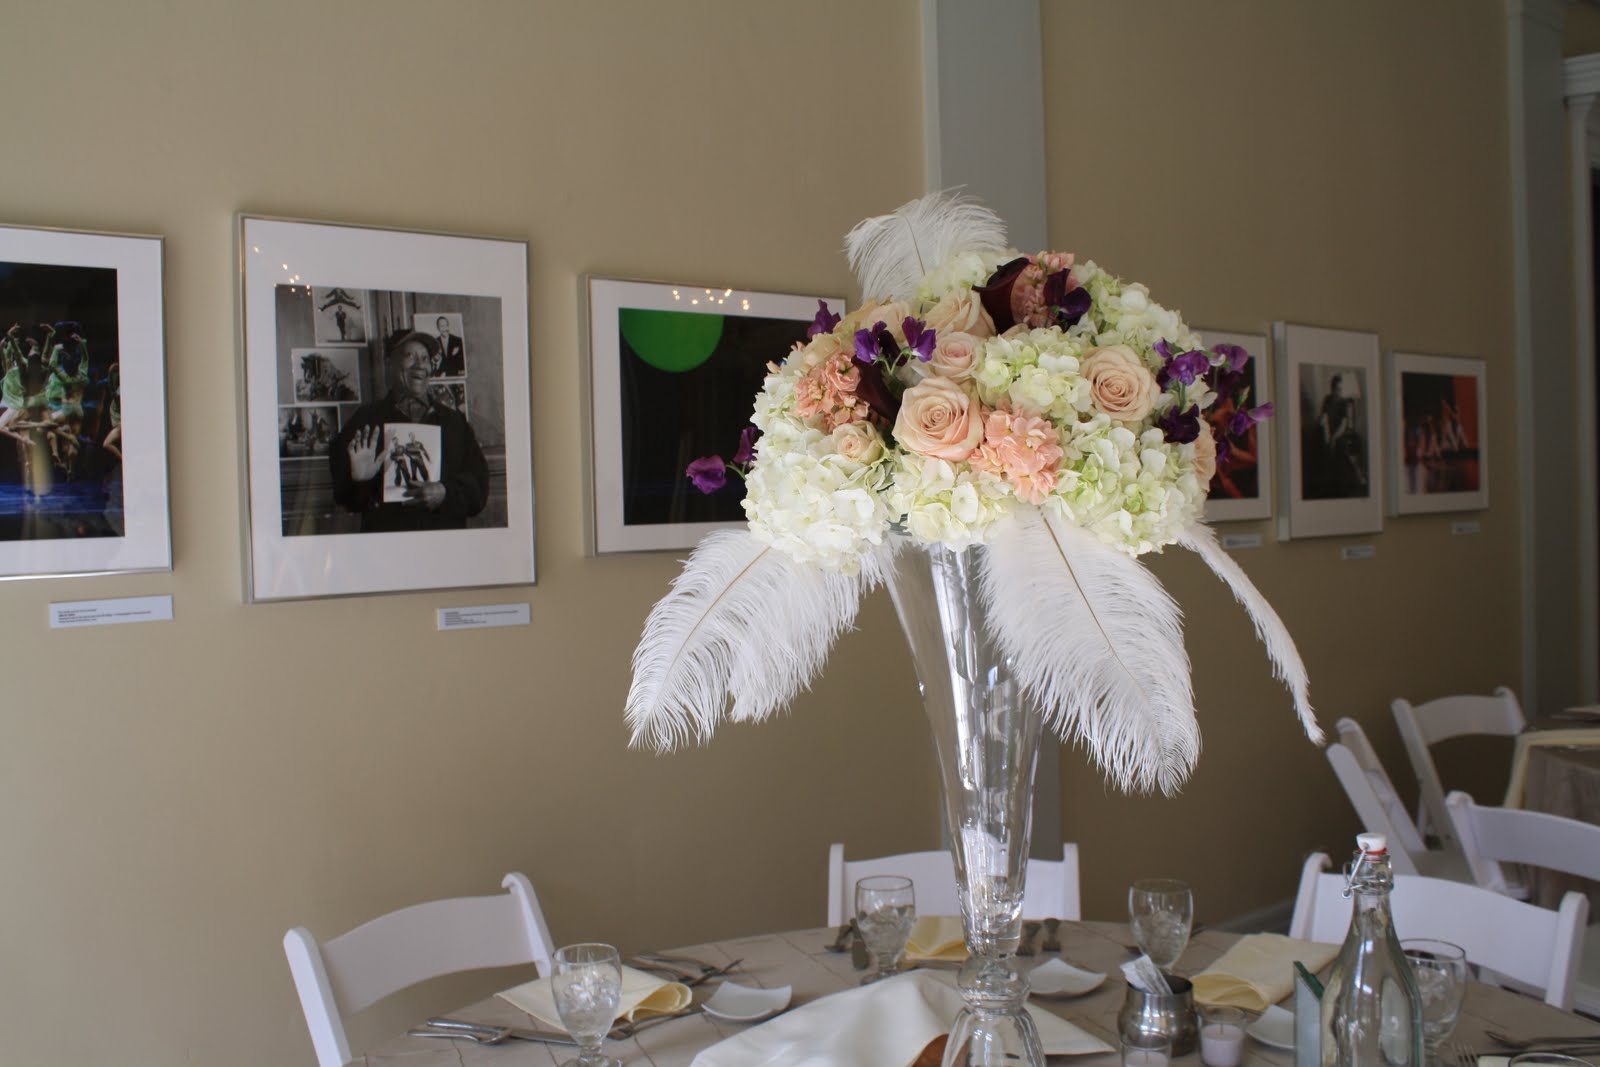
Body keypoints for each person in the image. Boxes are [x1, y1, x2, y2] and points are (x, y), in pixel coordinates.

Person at [329, 330, 489, 531]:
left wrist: (445, 493)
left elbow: (479, 487)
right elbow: (345, 498)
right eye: (409, 356)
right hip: (387, 547)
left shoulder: (454, 421)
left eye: (425, 358)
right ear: (390, 363)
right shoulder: (365, 419)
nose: (420, 365)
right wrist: (358, 481)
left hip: (444, 544)